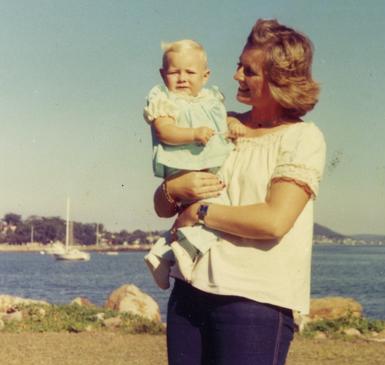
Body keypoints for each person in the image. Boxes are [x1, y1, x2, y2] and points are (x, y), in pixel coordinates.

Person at [153, 19, 325, 365]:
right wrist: (173, 189)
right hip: (189, 293)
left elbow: (273, 221)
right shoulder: (216, 127)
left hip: (254, 303)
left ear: (279, 80)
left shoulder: (302, 139)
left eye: (249, 71)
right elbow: (161, 206)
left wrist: (200, 212)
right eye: (238, 66)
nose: (236, 77)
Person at [143, 39, 250, 290]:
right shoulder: (163, 98)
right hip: (183, 166)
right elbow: (164, 131)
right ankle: (181, 251)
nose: (182, 78)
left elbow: (223, 123)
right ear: (162, 74)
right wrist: (192, 134)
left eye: (190, 72)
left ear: (205, 75)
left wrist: (231, 126)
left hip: (207, 164)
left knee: (209, 210)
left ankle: (163, 253)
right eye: (174, 72)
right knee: (215, 207)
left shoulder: (211, 98)